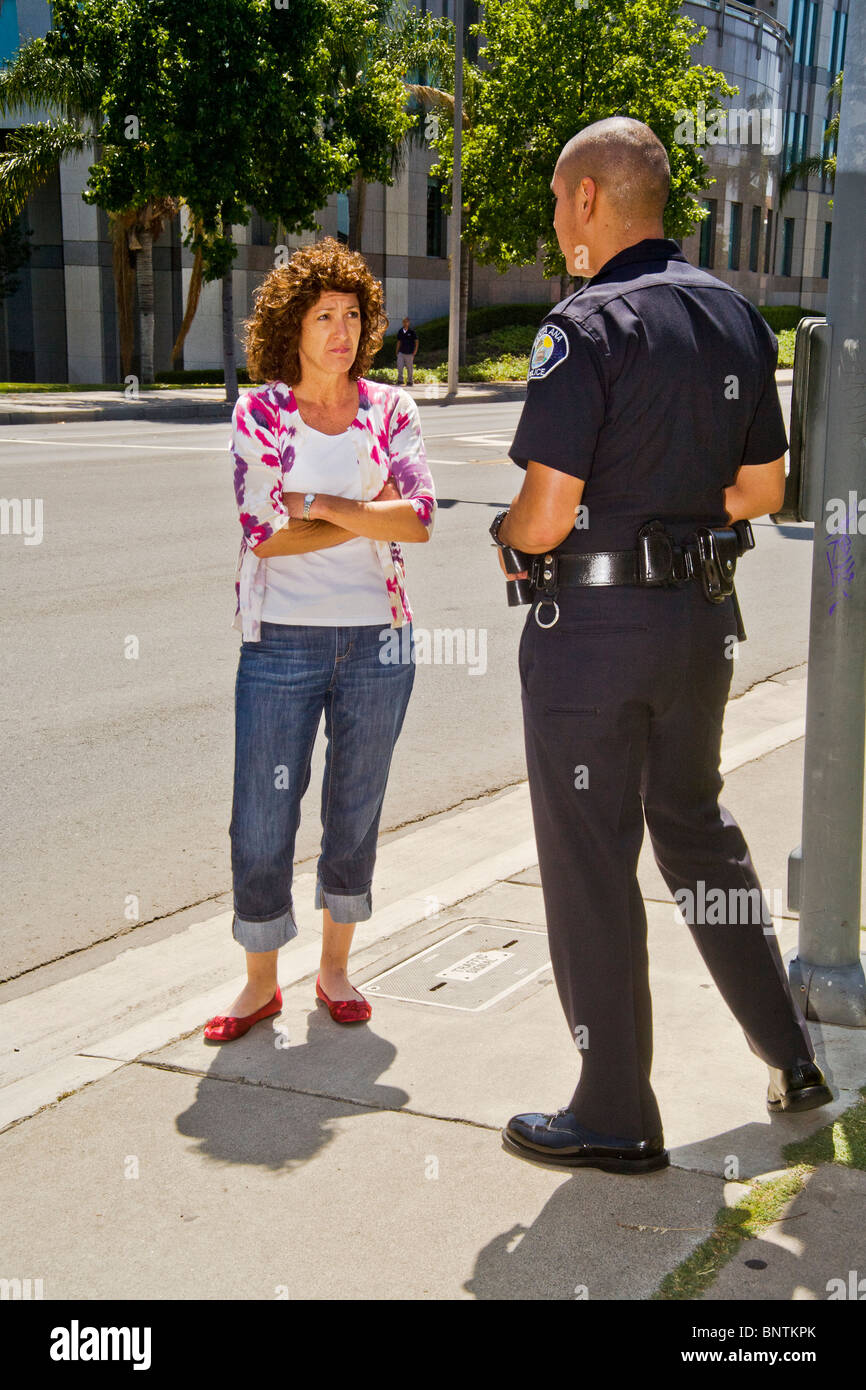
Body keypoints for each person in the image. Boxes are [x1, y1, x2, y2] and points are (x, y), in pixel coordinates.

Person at [490, 117, 832, 1176]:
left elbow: (545, 515)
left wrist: (503, 535)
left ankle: (613, 1110)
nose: (555, 224)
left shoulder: (581, 326)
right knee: (695, 831)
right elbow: (763, 492)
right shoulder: (732, 318)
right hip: (698, 628)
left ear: (589, 199)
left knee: (590, 862)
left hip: (590, 634)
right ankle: (790, 1052)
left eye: (556, 203)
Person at [205, 236, 435, 1042]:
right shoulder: (260, 412)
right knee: (263, 815)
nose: (341, 330)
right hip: (281, 645)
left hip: (380, 642)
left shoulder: (392, 410)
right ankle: (260, 983)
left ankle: (335, 971)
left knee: (355, 810)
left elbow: (421, 518)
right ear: (292, 328)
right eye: (323, 316)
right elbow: (263, 534)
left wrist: (324, 507)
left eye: (352, 315)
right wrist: (364, 506)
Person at [396, 317, 419, 385]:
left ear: (409, 323)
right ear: (402, 323)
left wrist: (415, 350)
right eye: (404, 322)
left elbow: (416, 341)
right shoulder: (400, 331)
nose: (405, 323)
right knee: (399, 366)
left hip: (409, 353)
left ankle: (410, 381)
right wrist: (397, 351)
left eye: (406, 322)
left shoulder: (412, 331)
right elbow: (399, 342)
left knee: (409, 368)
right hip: (401, 352)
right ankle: (400, 380)